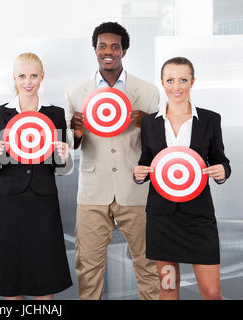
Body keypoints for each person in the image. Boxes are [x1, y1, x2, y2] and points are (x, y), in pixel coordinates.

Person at [65, 22, 160, 300]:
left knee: (148, 265)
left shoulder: (148, 91)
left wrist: (147, 127)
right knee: (88, 267)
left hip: (136, 189)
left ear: (124, 51)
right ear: (94, 50)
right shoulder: (75, 92)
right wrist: (77, 133)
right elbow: (68, 146)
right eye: (102, 46)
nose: (108, 52)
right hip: (93, 190)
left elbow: (159, 148)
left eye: (115, 46)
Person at [134, 57, 231, 300]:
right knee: (168, 289)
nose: (176, 86)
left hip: (199, 217)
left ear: (192, 81)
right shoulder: (149, 123)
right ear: (162, 82)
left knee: (211, 292)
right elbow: (146, 162)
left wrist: (222, 171)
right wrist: (138, 174)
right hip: (162, 219)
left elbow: (221, 159)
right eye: (170, 80)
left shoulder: (210, 119)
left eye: (183, 80)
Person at [0, 52, 73, 300]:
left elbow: (61, 168)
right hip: (10, 201)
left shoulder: (55, 114)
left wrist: (63, 155)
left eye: (33, 76)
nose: (28, 82)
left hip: (43, 201)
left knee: (45, 277)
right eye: (22, 76)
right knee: (12, 276)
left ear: (42, 77)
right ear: (14, 78)